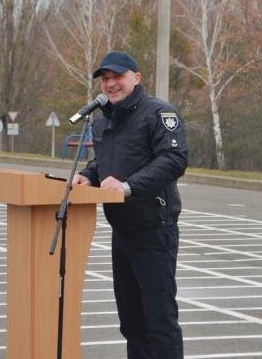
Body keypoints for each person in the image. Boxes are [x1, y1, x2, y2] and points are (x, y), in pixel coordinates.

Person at [73, 51, 187, 359]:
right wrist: (87, 175)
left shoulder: (159, 113)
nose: (111, 84)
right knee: (132, 322)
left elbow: (174, 160)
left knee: (159, 321)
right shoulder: (103, 121)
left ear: (136, 78)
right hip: (121, 230)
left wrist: (129, 186)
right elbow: (107, 164)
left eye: (118, 77)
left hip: (154, 229)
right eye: (105, 79)